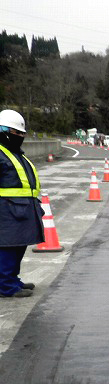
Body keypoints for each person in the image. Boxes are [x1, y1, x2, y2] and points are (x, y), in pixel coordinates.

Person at [0, 109, 44, 299]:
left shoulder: (16, 153)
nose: (20, 136)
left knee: (18, 247)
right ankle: (5, 286)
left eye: (22, 133)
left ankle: (12, 279)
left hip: (21, 210)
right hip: (6, 211)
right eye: (17, 133)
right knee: (7, 249)